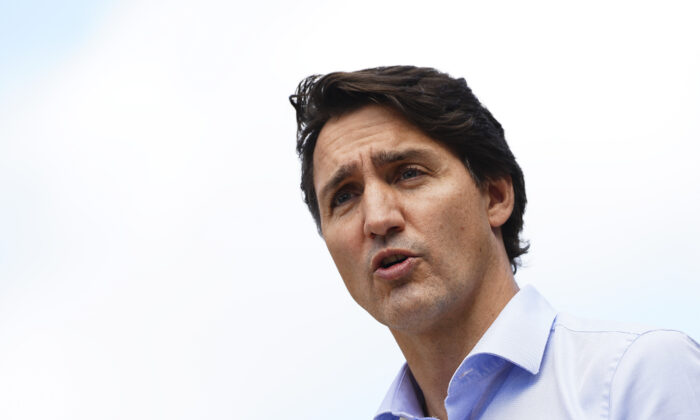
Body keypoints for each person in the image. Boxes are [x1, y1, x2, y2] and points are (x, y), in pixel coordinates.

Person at [289, 66, 700, 420]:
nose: (377, 219)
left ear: (495, 196)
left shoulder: (634, 374)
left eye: (408, 173)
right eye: (344, 196)